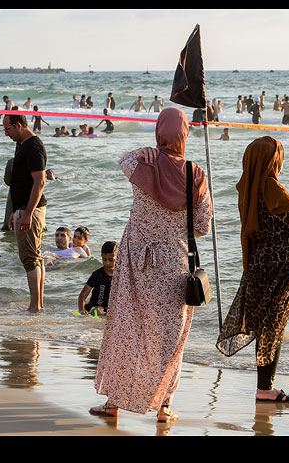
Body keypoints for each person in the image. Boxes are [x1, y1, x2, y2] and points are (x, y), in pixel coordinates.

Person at [91, 107, 213, 422]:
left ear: (159, 131)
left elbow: (124, 159)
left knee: (127, 329)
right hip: (174, 263)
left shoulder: (141, 163)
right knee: (171, 337)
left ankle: (114, 403)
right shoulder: (196, 174)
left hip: (136, 261)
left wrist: (151, 151)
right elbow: (202, 226)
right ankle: (164, 406)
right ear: (185, 134)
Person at [216, 136, 289, 404]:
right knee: (274, 326)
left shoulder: (247, 187)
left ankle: (264, 386)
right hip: (280, 267)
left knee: (265, 325)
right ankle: (265, 388)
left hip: (257, 265)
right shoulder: (273, 189)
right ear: (272, 160)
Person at [3, 113, 48, 313]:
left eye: (7, 129)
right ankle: (37, 304)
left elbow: (40, 181)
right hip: (23, 208)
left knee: (30, 259)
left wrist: (28, 213)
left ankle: (35, 306)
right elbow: (20, 181)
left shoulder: (33, 146)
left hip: (32, 209)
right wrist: (14, 211)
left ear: (19, 125)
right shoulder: (21, 143)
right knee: (35, 257)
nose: (6, 133)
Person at [77, 241, 118, 316]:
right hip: (95, 307)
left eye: (111, 260)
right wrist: (81, 310)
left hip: (112, 308)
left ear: (118, 257)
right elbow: (82, 295)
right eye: (104, 260)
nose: (107, 263)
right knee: (98, 311)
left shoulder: (121, 275)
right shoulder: (97, 274)